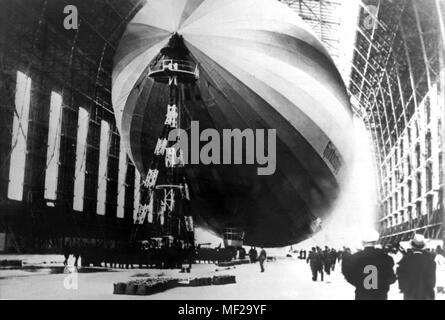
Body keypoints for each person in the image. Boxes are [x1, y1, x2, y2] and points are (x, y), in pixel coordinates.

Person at [342, 229, 396, 300]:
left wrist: (359, 284)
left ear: (363, 242)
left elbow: (348, 275)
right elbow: (391, 279)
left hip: (362, 295)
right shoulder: (386, 258)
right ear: (375, 241)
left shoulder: (355, 258)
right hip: (380, 295)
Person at [397, 234, 436, 300]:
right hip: (426, 294)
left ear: (412, 247)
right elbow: (432, 281)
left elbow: (401, 279)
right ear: (423, 247)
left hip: (409, 294)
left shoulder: (405, 260)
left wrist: (404, 289)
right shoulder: (430, 261)